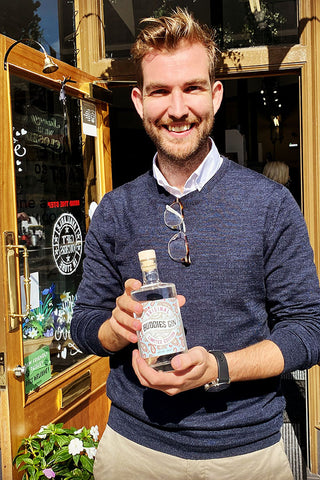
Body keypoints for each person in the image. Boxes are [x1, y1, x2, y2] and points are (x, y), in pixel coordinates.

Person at [71, 8, 320, 480]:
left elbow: (309, 330)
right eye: (161, 91)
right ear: (140, 102)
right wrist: (114, 328)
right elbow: (85, 326)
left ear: (216, 95)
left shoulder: (271, 205)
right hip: (133, 452)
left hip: (246, 455)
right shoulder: (114, 211)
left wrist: (218, 368)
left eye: (192, 88)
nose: (178, 108)